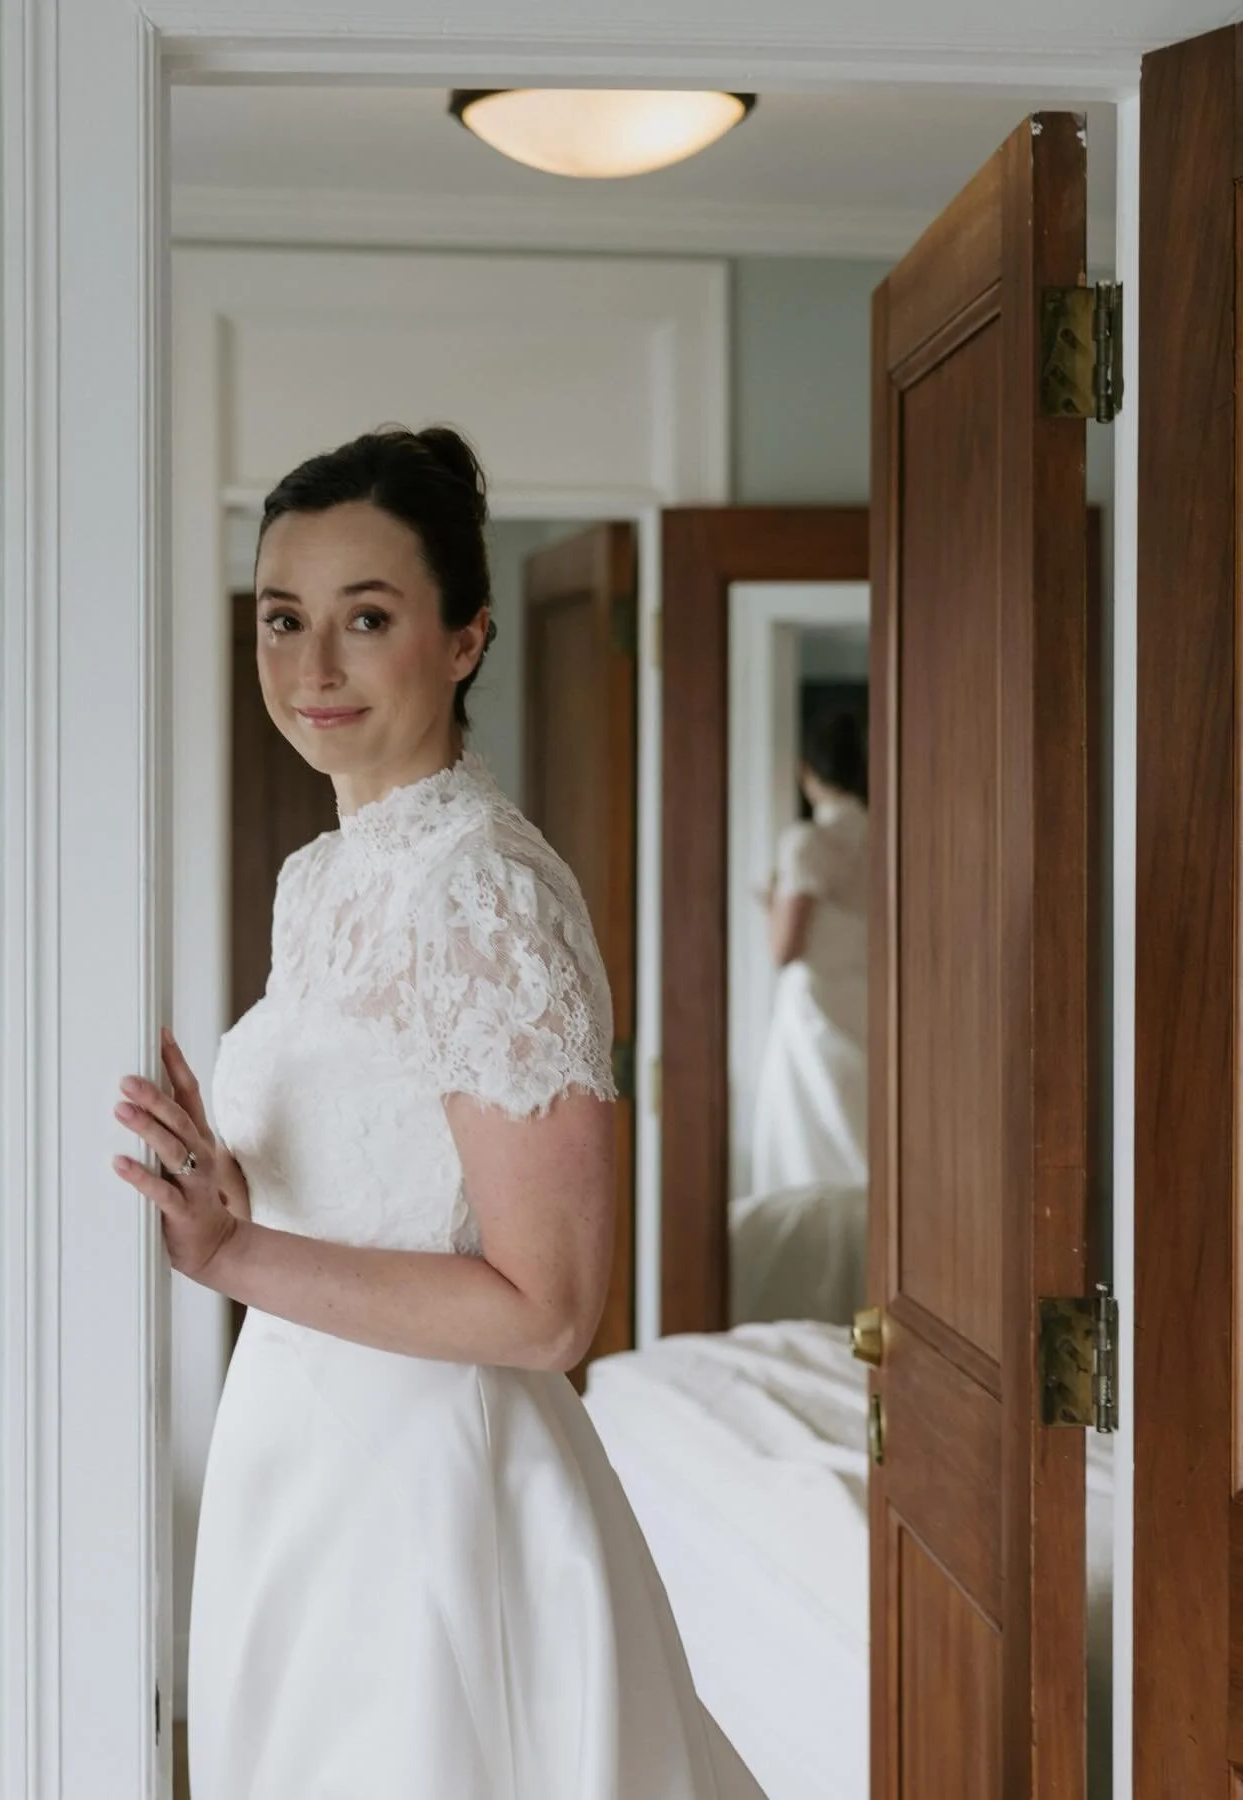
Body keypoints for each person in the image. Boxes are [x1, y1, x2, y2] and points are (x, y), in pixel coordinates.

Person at [112, 427, 766, 1799]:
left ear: (466, 638)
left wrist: (237, 1260)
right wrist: (225, 1180)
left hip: (428, 1494)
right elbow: (387, 1160)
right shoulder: (322, 878)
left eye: (368, 618)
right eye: (284, 618)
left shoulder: (484, 893)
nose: (313, 668)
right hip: (296, 1446)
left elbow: (546, 1309)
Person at [748, 708, 869, 1200]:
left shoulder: (807, 842)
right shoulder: (889, 836)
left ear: (808, 772)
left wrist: (772, 903)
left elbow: (784, 948)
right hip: (870, 998)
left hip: (817, 1008)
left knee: (808, 1141)